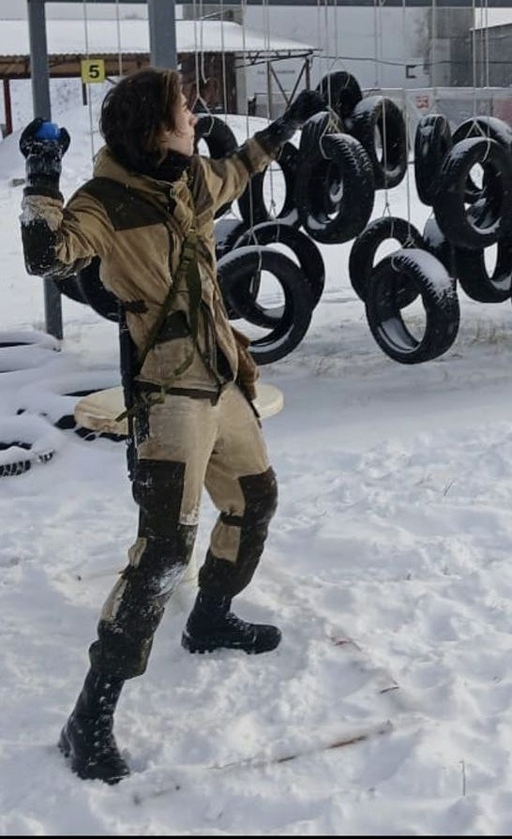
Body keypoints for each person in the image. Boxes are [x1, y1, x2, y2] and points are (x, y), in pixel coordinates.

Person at [18, 68, 325, 785]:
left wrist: (293, 121)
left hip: (221, 379)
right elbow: (46, 254)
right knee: (160, 555)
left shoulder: (189, 181)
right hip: (166, 398)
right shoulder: (102, 203)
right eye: (185, 109)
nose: (195, 116)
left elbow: (241, 167)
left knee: (254, 501)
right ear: (155, 126)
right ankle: (87, 717)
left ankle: (211, 615)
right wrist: (41, 177)